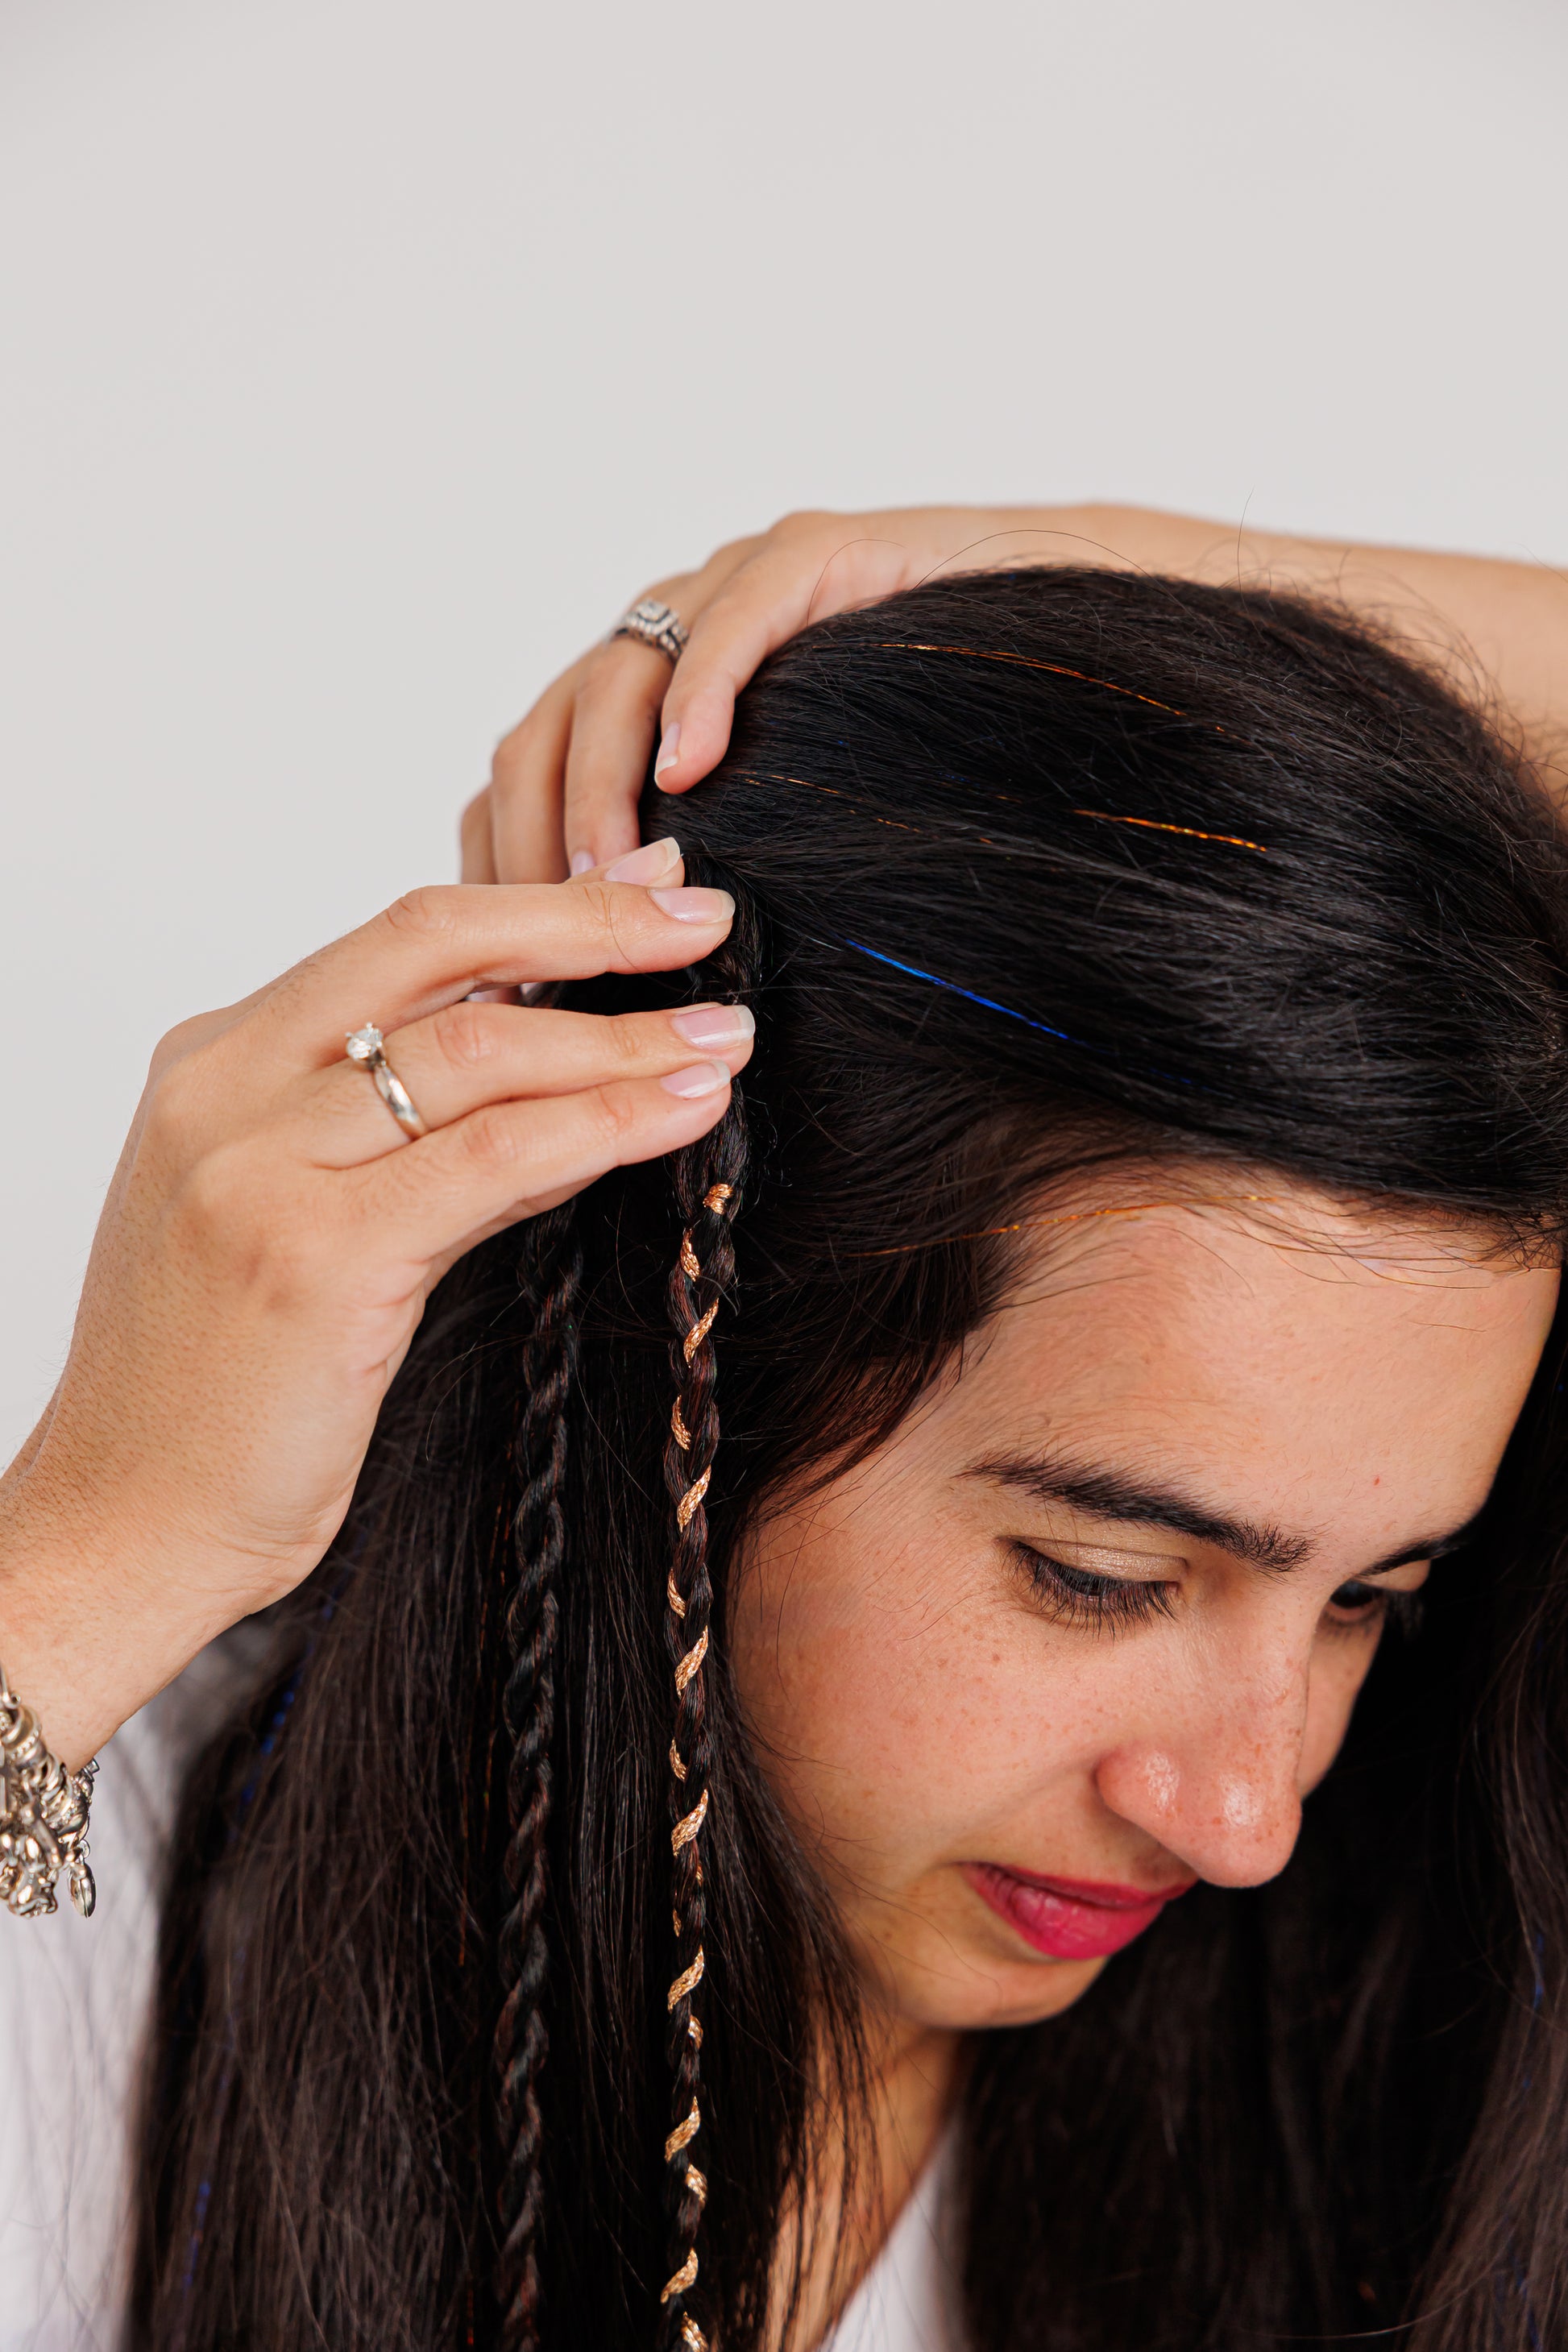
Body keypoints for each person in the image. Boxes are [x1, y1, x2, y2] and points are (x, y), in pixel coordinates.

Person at [2, 508, 1568, 2352]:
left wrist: (1024, 563)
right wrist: (103, 1546)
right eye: (1103, 1574)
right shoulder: (81, 1930)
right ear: (703, 1368)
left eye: (1367, 1597)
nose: (1243, 1815)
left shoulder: (1414, 2004)